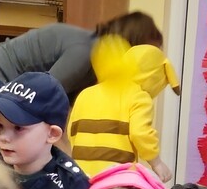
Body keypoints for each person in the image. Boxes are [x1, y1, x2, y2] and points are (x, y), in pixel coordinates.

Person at [0, 10, 163, 148]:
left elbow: (63, 115)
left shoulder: (93, 58)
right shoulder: (86, 52)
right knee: (23, 162)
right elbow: (41, 100)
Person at [0, 72, 89, 189]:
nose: (3, 137)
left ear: (52, 134)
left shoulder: (74, 186)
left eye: (18, 128)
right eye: (0, 125)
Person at [68, 34, 177, 179]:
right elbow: (140, 133)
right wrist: (156, 162)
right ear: (154, 77)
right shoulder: (138, 96)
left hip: (82, 172)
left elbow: (72, 131)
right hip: (116, 174)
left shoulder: (86, 93)